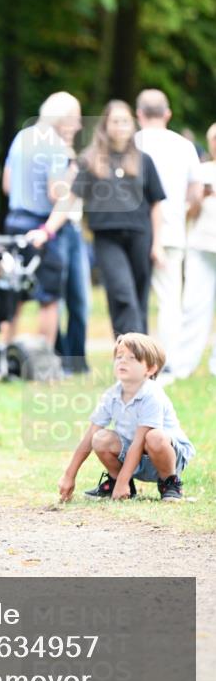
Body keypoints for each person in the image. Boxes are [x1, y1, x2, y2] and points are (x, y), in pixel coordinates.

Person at [30, 101, 166, 338]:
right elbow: (68, 199)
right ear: (105, 125)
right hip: (107, 238)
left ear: (132, 125)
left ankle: (140, 364)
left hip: (141, 236)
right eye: (115, 121)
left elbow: (156, 205)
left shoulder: (144, 161)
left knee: (139, 299)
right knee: (123, 295)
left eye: (125, 121)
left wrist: (158, 244)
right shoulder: (90, 161)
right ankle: (130, 353)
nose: (121, 126)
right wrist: (47, 230)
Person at [58, 333, 195, 503]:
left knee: (153, 436)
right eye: (119, 356)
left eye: (132, 358)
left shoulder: (152, 394)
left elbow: (140, 441)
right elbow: (89, 435)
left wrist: (123, 480)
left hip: (165, 455)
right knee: (99, 438)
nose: (123, 361)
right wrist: (69, 475)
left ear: (150, 369)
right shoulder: (112, 395)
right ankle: (121, 483)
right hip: (132, 454)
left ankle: (169, 483)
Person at [1, 92, 81, 348]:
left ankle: (5, 351)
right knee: (48, 298)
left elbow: (6, 184)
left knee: (15, 293)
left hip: (14, 222)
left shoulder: (22, 137)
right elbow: (56, 194)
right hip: (42, 227)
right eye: (76, 118)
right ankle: (44, 359)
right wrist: (73, 176)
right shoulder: (57, 146)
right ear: (64, 118)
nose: (79, 125)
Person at [135, 89, 202, 372]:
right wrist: (184, 213)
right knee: (169, 300)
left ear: (138, 114)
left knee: (137, 297)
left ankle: (135, 356)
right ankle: (167, 362)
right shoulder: (184, 146)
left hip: (136, 231)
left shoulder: (131, 142)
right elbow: (196, 193)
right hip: (173, 230)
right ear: (168, 114)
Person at [170, 122, 216, 381]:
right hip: (201, 246)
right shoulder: (202, 171)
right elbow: (187, 210)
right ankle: (183, 365)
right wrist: (199, 200)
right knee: (195, 307)